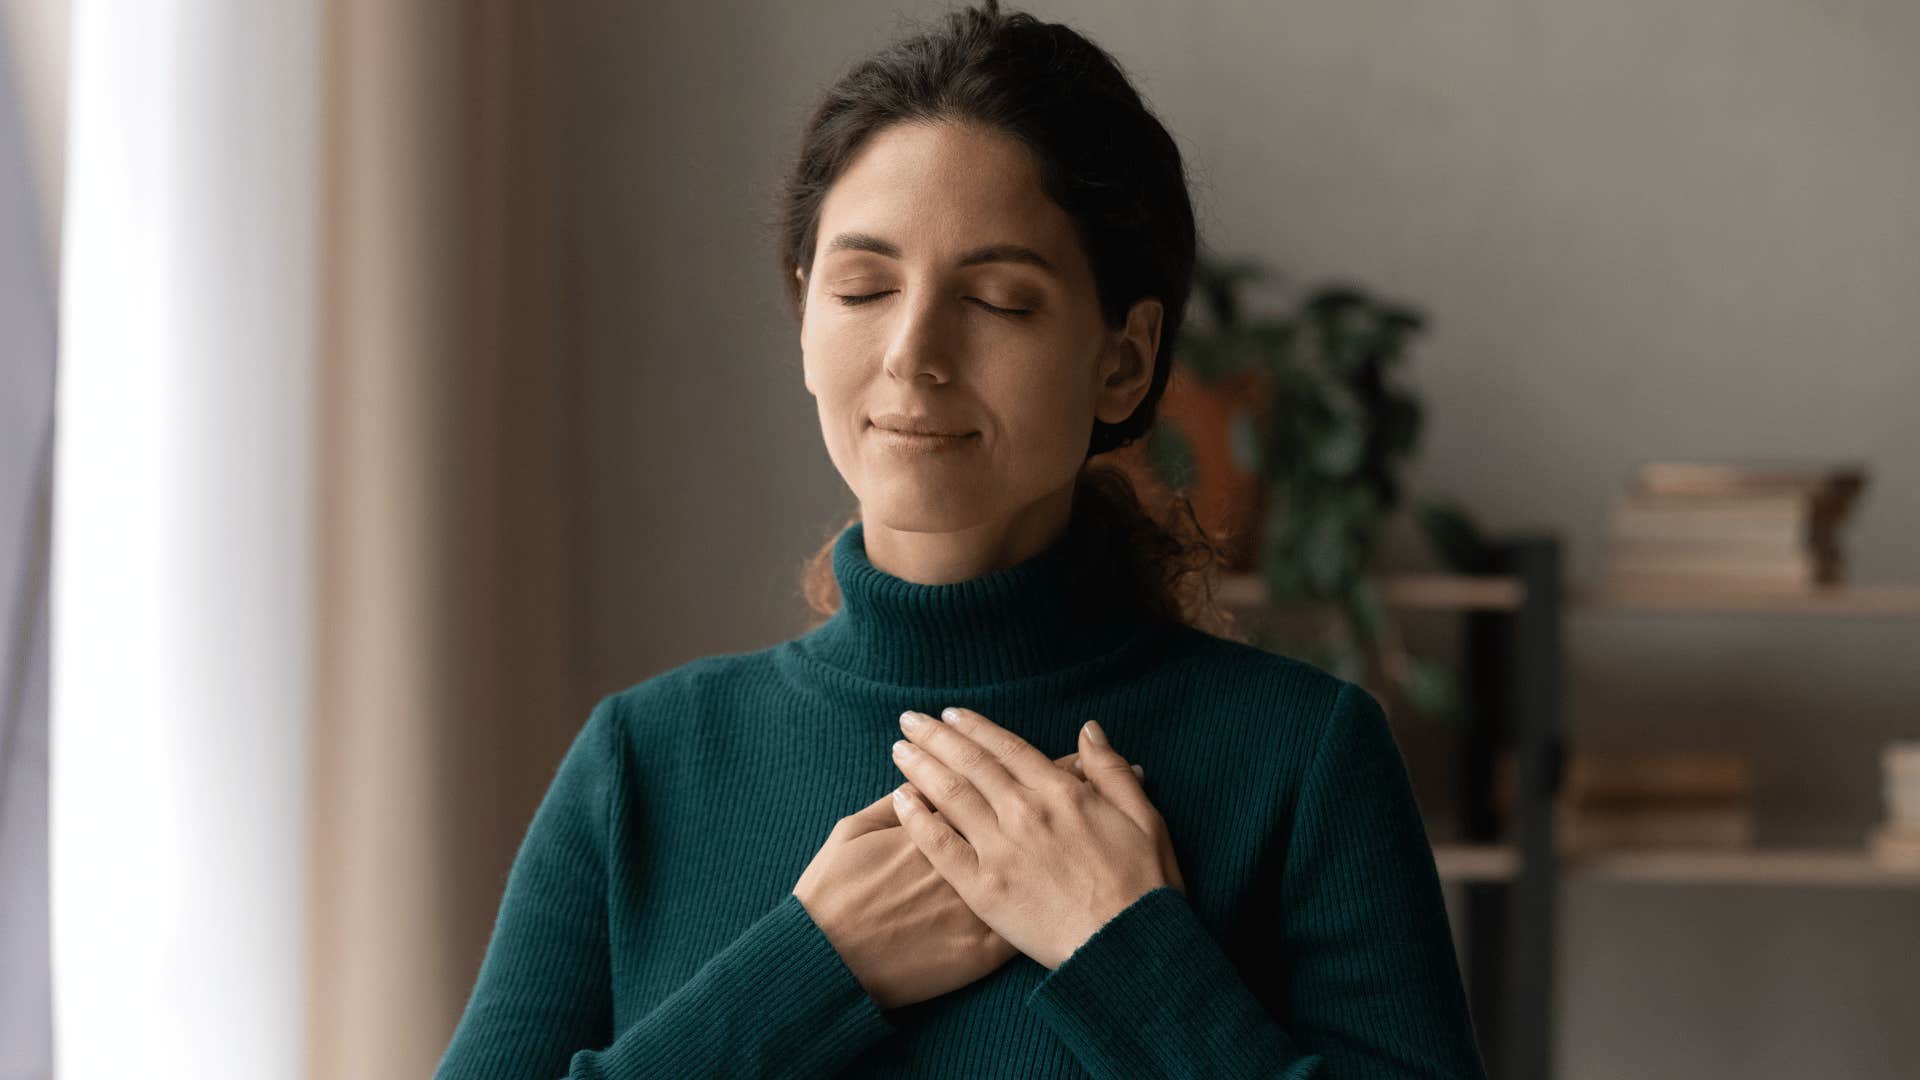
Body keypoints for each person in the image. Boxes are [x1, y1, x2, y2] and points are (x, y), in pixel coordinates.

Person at [435, 2, 1488, 1077]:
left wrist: (1121, 954)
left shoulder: (1303, 762)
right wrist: (810, 971)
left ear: (1123, 361)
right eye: (862, 287)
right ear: (805, 319)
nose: (912, 353)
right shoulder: (646, 766)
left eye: (996, 300)